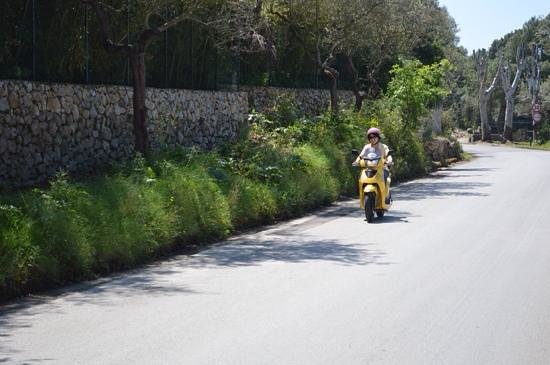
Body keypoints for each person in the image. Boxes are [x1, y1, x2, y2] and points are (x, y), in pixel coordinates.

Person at [355, 127, 393, 203]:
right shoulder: (366, 147)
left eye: (375, 137)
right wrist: (356, 161)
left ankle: (386, 196)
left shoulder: (383, 146)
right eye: (371, 137)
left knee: (385, 177)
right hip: (368, 168)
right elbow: (361, 155)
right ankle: (361, 196)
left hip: (381, 168)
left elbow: (388, 155)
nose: (373, 139)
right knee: (360, 179)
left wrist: (389, 161)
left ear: (378, 137)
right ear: (369, 138)